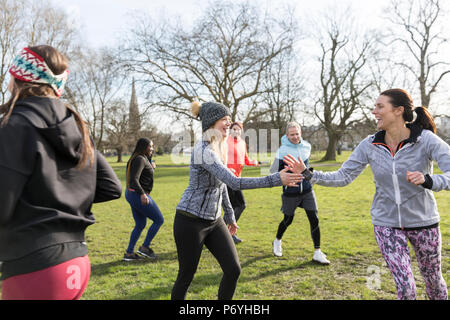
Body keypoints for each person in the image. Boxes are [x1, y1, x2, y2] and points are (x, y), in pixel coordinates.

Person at [284, 88, 449, 300]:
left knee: (434, 282)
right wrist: (308, 174)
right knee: (406, 289)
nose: (374, 111)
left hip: (424, 222)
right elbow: (343, 176)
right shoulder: (370, 144)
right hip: (386, 224)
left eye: (380, 106)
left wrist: (429, 180)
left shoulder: (425, 140)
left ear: (398, 110)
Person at [0, 45, 122, 300]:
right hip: (77, 261)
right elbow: (110, 186)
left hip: (34, 267)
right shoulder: (76, 124)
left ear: (19, 79)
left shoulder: (14, 124)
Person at [171, 101, 303, 300]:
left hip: (214, 221)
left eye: (229, 119)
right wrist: (276, 178)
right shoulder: (204, 151)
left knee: (233, 270)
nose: (228, 123)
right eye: (224, 119)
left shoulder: (218, 148)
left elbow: (221, 184)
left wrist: (230, 214)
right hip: (190, 221)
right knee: (186, 276)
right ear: (212, 122)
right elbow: (234, 182)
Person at [270, 122, 329, 264]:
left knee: (314, 218)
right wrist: (286, 177)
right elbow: (274, 172)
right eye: (292, 134)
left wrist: (309, 172)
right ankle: (277, 240)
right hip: (290, 192)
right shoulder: (282, 151)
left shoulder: (306, 147)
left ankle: (317, 252)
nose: (295, 137)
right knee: (288, 219)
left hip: (307, 190)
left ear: (300, 133)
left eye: (297, 134)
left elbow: (306, 167)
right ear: (286, 135)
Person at [123, 138, 164, 261]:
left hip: (132, 194)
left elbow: (143, 174)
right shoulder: (140, 159)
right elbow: (134, 179)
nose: (152, 148)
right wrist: (142, 194)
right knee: (159, 219)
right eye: (150, 146)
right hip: (137, 195)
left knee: (140, 224)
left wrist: (151, 167)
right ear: (144, 147)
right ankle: (145, 247)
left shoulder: (141, 158)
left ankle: (129, 253)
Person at [226, 121, 259, 243]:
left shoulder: (242, 143)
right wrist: (226, 168)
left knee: (238, 206)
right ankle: (225, 233)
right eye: (234, 129)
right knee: (236, 206)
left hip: (237, 179)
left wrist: (253, 162)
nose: (236, 131)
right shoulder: (225, 142)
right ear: (230, 130)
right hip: (227, 178)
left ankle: (227, 233)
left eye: (238, 129)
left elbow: (245, 159)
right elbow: (219, 158)